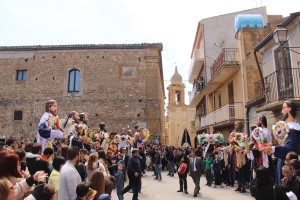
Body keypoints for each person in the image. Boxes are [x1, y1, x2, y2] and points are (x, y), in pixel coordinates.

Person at [261, 101, 300, 185]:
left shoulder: (293, 129)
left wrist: (273, 149)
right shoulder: (288, 127)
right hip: (283, 160)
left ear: (289, 109)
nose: (282, 111)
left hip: (288, 164)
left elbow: (290, 147)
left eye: (283, 108)